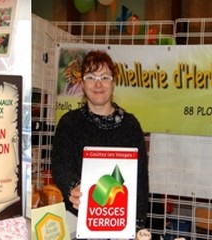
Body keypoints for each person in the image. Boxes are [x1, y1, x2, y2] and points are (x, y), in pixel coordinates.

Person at [51, 50, 150, 237]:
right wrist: (73, 186)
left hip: (120, 221)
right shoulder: (69, 123)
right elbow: (60, 165)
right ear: (82, 83)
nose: (98, 83)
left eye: (105, 77)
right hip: (77, 218)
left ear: (113, 83)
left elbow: (140, 180)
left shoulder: (130, 126)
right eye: (91, 77)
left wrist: (136, 225)